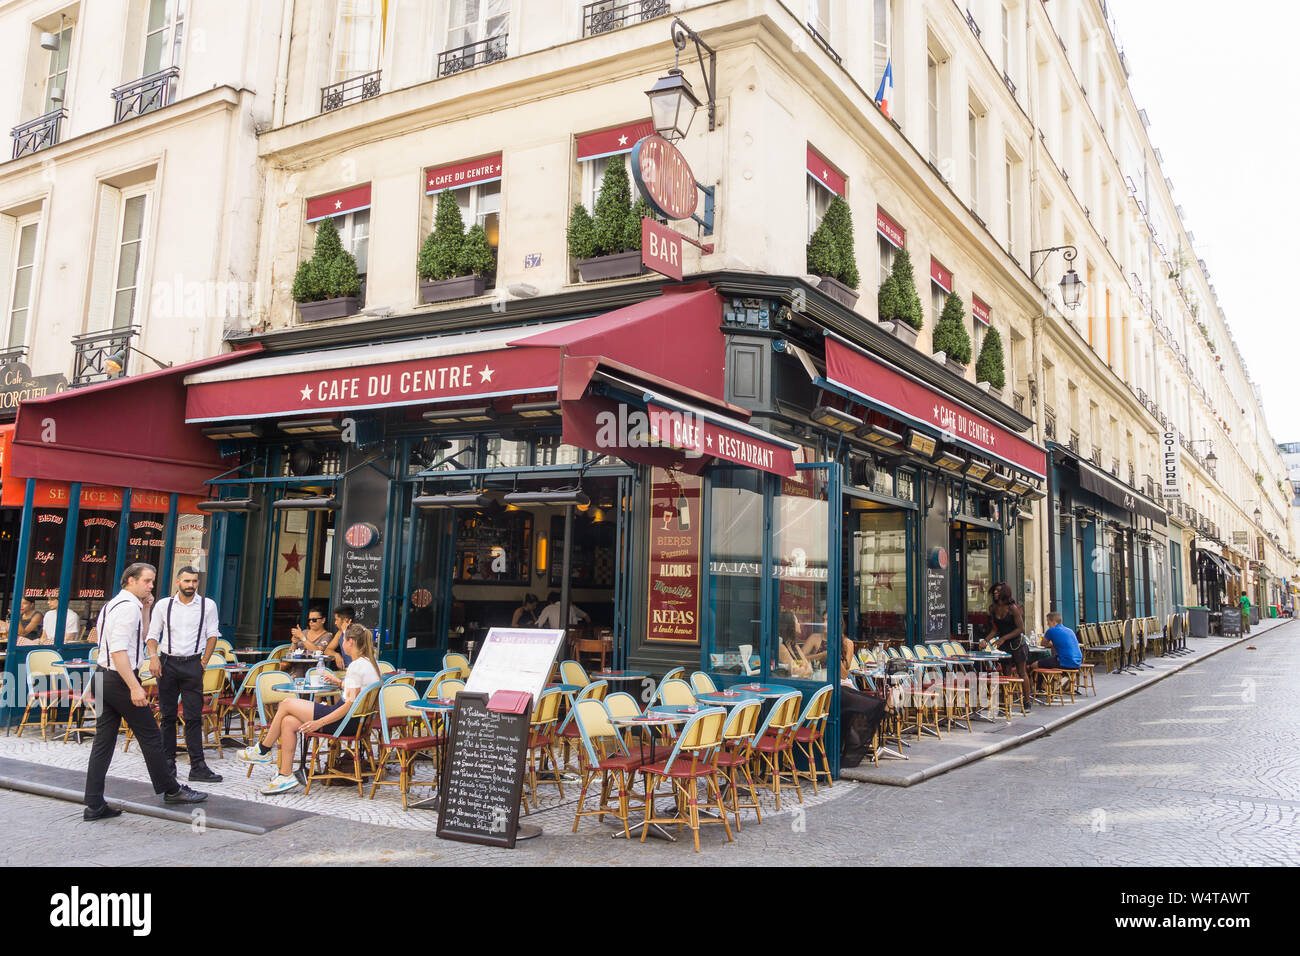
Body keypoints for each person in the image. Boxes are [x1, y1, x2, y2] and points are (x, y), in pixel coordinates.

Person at [82, 563, 208, 820]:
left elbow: (137, 638)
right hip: (118, 679)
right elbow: (118, 651)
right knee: (151, 736)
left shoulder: (113, 604)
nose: (151, 586)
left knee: (103, 742)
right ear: (130, 580)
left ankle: (94, 804)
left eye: (152, 581)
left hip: (101, 676)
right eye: (147, 581)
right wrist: (134, 686)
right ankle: (171, 790)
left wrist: (148, 607)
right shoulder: (128, 608)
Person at [237, 623, 381, 795]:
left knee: (286, 704)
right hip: (357, 722)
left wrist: (318, 722)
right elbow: (356, 696)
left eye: (343, 640)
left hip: (344, 721)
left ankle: (263, 750)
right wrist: (339, 683)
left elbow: (349, 705)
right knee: (289, 721)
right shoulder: (371, 664)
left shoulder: (356, 666)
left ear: (350, 641)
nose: (342, 643)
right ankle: (285, 775)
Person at [145, 567, 224, 784]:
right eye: (187, 581)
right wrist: (153, 658)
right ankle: (167, 763)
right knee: (168, 716)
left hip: (192, 663)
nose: (191, 585)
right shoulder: (164, 605)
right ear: (177, 581)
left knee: (193, 717)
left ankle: (197, 765)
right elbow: (152, 635)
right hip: (167, 663)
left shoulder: (207, 605)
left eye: (194, 581)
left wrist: (204, 662)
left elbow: (212, 635)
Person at [981, 581, 1032, 710]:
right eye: (994, 591)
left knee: (1022, 672)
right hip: (1004, 645)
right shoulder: (993, 608)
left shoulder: (1012, 608)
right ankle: (1006, 703)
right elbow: (994, 629)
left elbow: (1020, 628)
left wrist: (1003, 638)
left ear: (1005, 593)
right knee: (1006, 673)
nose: (996, 593)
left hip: (1017, 644)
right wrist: (985, 641)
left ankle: (1027, 701)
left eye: (998, 591)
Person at [776, 610, 813, 679]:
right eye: (797, 622)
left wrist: (802, 669)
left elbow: (810, 670)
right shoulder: (781, 647)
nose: (799, 624)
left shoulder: (795, 646)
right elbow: (795, 672)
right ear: (791, 626)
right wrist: (803, 669)